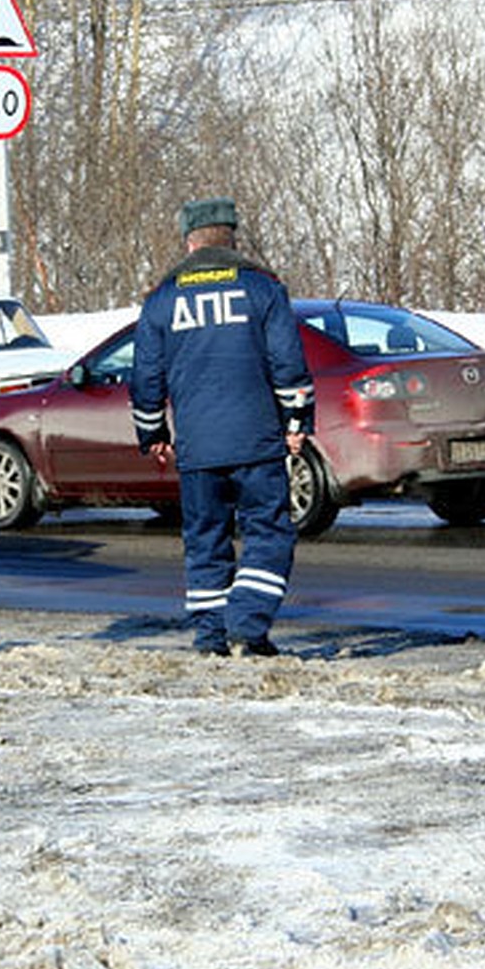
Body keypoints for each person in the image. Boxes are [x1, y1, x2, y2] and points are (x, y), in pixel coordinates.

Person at [129, 198, 315, 657]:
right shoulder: (263, 289)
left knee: (205, 540)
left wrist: (152, 434)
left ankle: (212, 636)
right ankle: (246, 626)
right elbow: (288, 364)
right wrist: (296, 420)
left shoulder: (162, 299)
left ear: (190, 242)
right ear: (232, 238)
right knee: (268, 533)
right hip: (256, 441)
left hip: (197, 447)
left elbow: (146, 378)